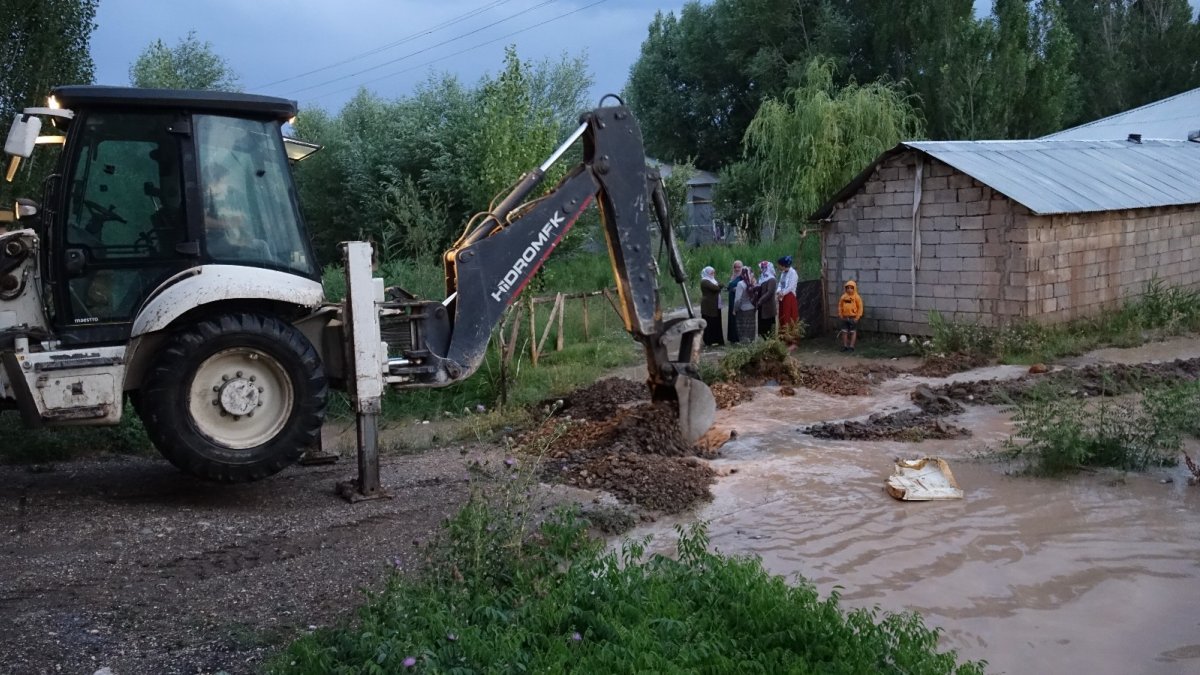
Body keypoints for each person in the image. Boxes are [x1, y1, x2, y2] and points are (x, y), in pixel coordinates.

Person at [699, 266, 725, 346]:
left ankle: (717, 339)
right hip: (708, 306)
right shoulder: (705, 281)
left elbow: (718, 286)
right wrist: (720, 285)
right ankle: (708, 340)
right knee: (709, 322)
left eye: (713, 272)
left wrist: (719, 285)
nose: (713, 274)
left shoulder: (712, 280)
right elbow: (715, 288)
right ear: (707, 273)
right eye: (711, 272)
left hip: (715, 305)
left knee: (716, 322)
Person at [754, 260, 778, 339]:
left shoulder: (771, 279)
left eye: (762, 267)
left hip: (768, 306)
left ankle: (770, 342)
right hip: (761, 305)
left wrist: (760, 300)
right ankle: (762, 341)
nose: (761, 269)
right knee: (762, 324)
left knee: (769, 323)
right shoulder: (762, 278)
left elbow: (770, 292)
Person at [838, 280, 864, 352]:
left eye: (851, 288)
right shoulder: (843, 297)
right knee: (844, 332)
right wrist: (840, 314)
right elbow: (840, 306)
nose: (849, 289)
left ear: (854, 288)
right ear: (845, 288)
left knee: (853, 332)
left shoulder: (857, 297)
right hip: (845, 318)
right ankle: (845, 346)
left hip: (853, 318)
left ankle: (851, 347)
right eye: (848, 288)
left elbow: (860, 308)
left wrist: (857, 317)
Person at [734, 266, 757, 343]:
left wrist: (735, 309)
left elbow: (738, 300)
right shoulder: (753, 283)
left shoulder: (740, 284)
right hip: (752, 308)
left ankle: (744, 344)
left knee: (743, 328)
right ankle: (751, 343)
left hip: (743, 309)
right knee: (751, 328)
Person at [776, 255, 799, 329]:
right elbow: (780, 283)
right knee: (782, 316)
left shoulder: (793, 273)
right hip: (782, 297)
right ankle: (783, 337)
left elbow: (790, 287)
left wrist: (782, 293)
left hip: (789, 297)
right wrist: (779, 291)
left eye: (779, 265)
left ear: (783, 265)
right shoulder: (783, 273)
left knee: (789, 316)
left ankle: (791, 338)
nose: (778, 266)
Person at [726, 260, 744, 344]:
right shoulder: (733, 276)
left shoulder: (743, 276)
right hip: (731, 299)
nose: (737, 269)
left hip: (738, 299)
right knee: (732, 318)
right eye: (735, 267)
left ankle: (738, 337)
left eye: (739, 267)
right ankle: (732, 337)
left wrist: (736, 289)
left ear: (742, 267)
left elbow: (746, 286)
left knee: (737, 317)